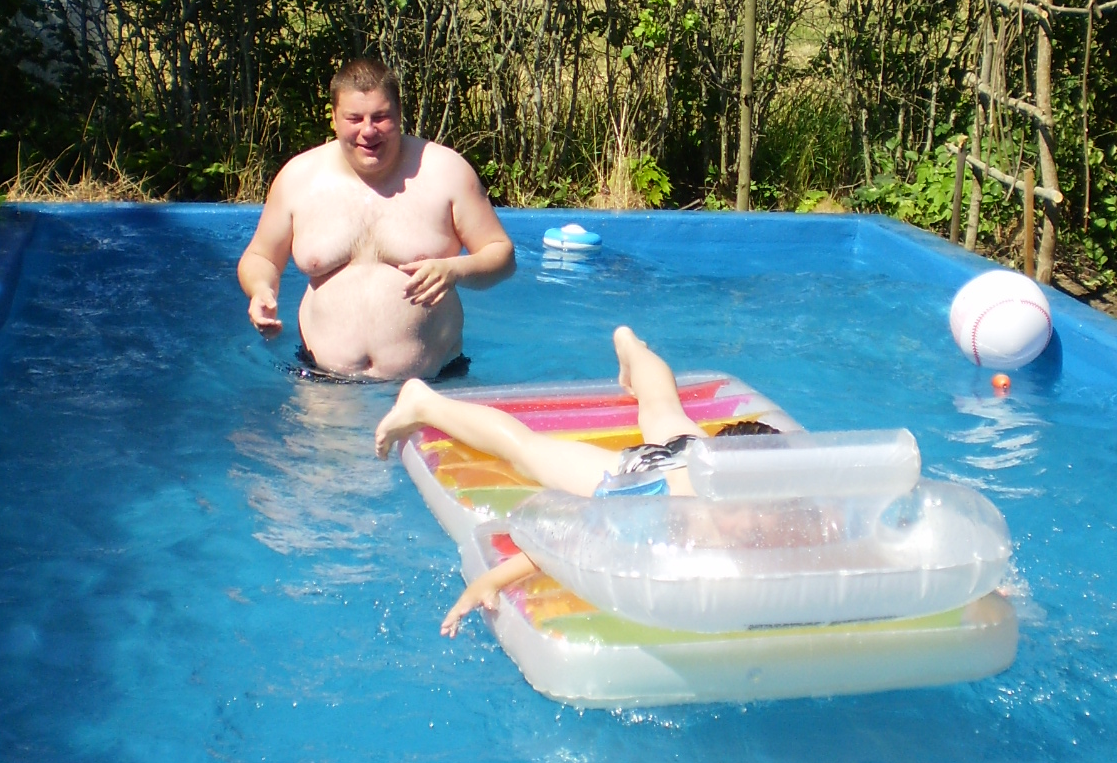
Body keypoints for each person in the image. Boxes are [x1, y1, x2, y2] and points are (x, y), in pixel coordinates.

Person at [374, 325, 772, 635]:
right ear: (715, 492)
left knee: (663, 407)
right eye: (736, 509)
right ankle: (423, 402)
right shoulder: (671, 512)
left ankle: (630, 346)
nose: (750, 521)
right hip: (649, 471)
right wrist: (493, 579)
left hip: (694, 453)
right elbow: (578, 535)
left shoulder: (771, 496)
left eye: (761, 508)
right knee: (528, 450)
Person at [237, 59, 515, 380]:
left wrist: (455, 270)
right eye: (354, 118)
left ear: (399, 114)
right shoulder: (298, 178)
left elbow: (502, 255)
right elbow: (261, 257)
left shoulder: (446, 171)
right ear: (334, 118)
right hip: (322, 381)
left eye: (380, 117)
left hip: (433, 384)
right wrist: (261, 290)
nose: (368, 131)